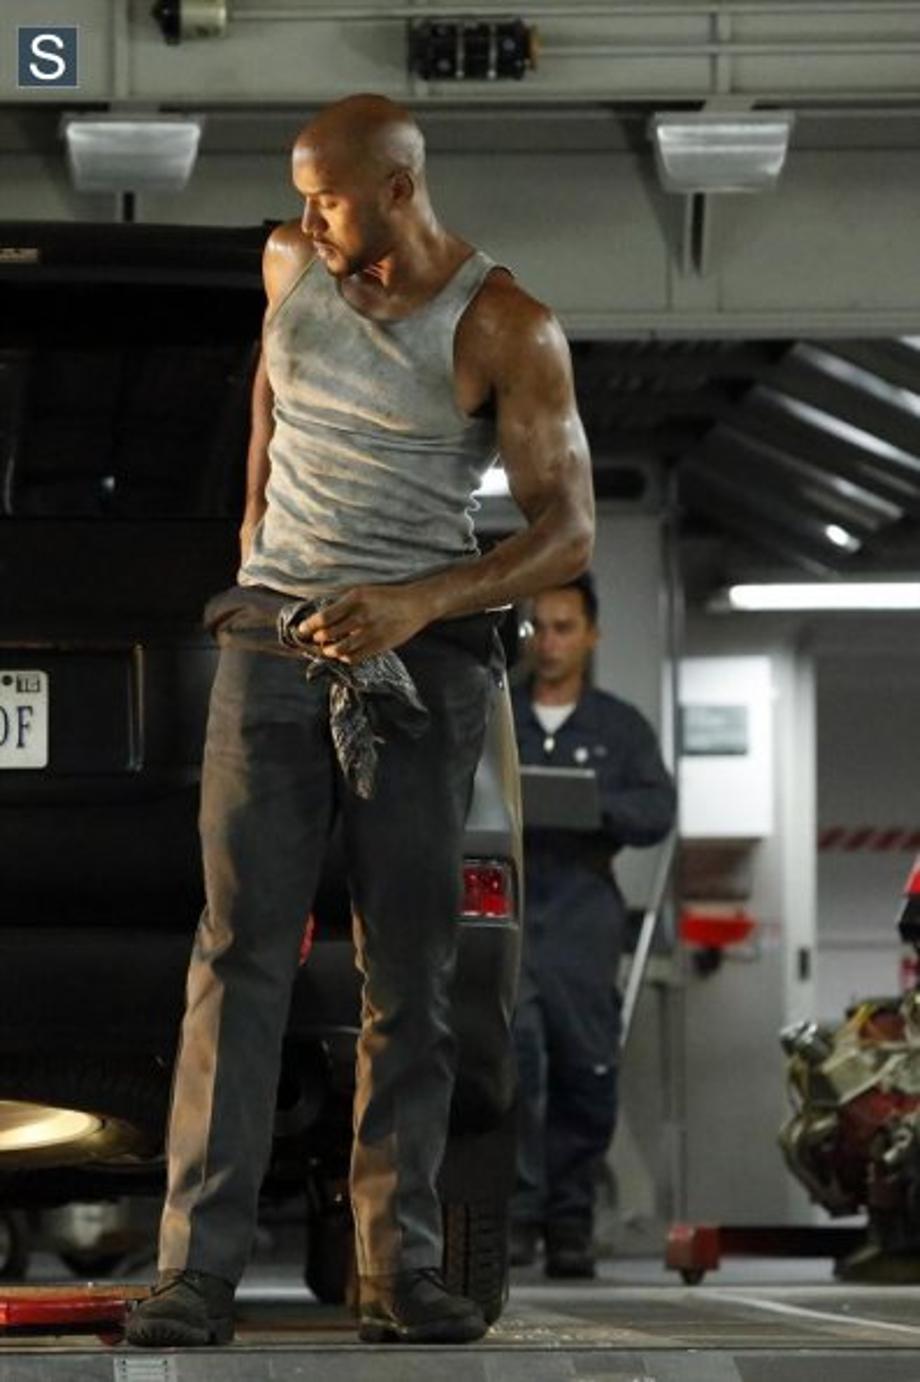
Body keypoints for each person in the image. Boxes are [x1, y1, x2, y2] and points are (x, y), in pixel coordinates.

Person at [126, 92, 594, 1349]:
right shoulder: (288, 266)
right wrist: (255, 548)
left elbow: (566, 531)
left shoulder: (504, 324)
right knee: (237, 954)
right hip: (270, 647)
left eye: (328, 198)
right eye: (303, 199)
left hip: (420, 665)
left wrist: (416, 601)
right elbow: (272, 405)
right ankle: (195, 1273)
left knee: (410, 972)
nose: (310, 221)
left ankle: (398, 1268)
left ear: (397, 188)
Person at [509, 573, 675, 1278]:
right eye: (538, 628)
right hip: (508, 911)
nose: (549, 643)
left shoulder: (618, 728)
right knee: (512, 1063)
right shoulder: (496, 715)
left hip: (582, 913)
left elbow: (657, 811)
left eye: (564, 628)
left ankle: (569, 1223)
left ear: (591, 635)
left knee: (586, 1068)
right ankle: (516, 1218)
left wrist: (591, 806)